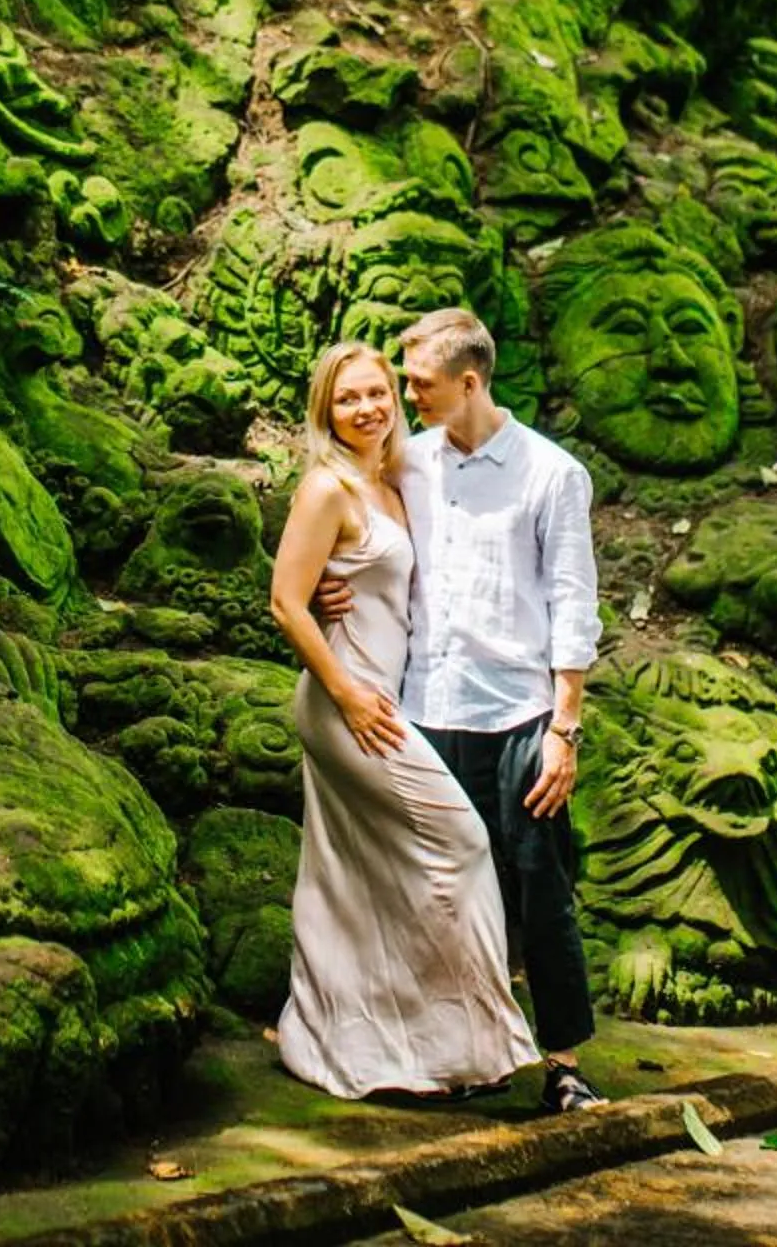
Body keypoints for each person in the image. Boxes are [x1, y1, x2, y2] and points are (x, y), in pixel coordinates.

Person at [268, 340, 539, 1101]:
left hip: (387, 696)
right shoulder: (328, 488)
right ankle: (479, 1039)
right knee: (460, 840)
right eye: (347, 398)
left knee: (359, 875)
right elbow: (286, 600)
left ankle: (364, 1040)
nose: (366, 408)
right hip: (348, 705)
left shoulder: (395, 478)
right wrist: (349, 693)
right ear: (327, 410)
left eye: (377, 393)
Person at [379, 305, 609, 1112]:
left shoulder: (552, 474)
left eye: (422, 385)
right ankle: (449, 1057)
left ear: (469, 382)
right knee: (436, 894)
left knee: (541, 887)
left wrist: (564, 728)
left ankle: (565, 1064)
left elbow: (574, 602)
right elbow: (364, 542)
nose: (411, 399)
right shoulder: (407, 463)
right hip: (425, 710)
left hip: (518, 713)